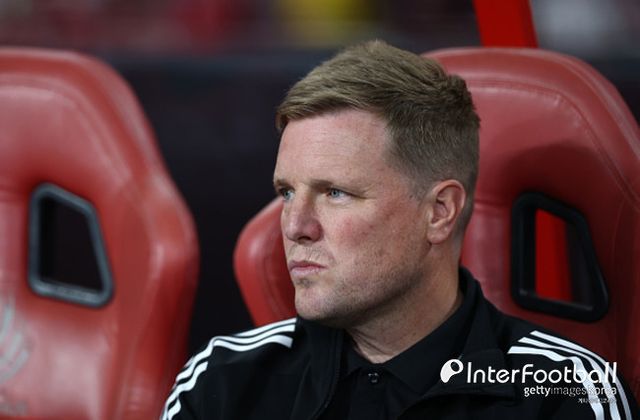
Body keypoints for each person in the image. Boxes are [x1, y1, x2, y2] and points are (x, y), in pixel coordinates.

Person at [161, 40, 638, 419]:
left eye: (335, 192)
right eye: (286, 192)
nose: (295, 226)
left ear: (439, 212)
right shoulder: (222, 383)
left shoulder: (567, 396)